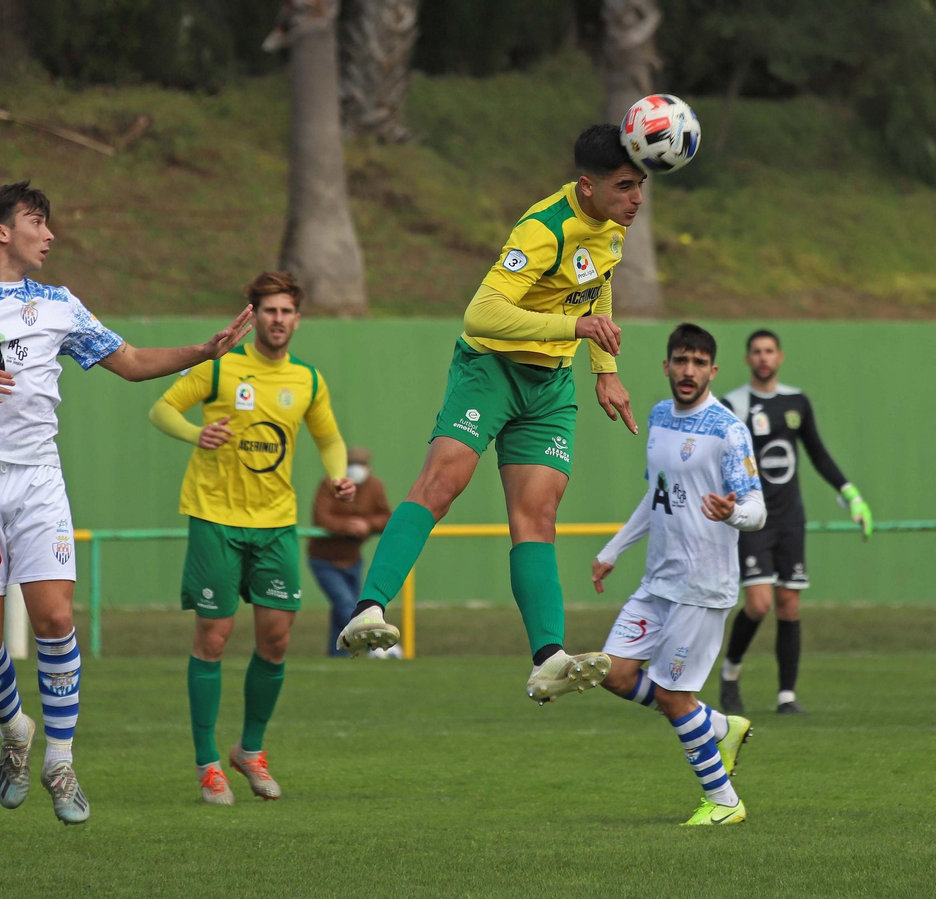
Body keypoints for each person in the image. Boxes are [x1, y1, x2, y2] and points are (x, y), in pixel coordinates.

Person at [0, 182, 253, 825]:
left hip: (36, 480)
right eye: (37, 222)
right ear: (1, 230)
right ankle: (14, 732)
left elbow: (131, 361)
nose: (49, 235)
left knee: (54, 617)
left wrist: (202, 351)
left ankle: (61, 759)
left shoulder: (59, 306)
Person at [336, 124, 642, 705]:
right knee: (443, 482)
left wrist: (604, 368)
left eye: (641, 185)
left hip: (550, 385)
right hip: (492, 370)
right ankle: (367, 606)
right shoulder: (543, 228)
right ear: (587, 185)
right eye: (625, 186)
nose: (637, 199)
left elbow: (597, 287)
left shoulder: (613, 229)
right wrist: (574, 329)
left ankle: (548, 657)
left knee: (539, 517)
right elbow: (481, 314)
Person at [148, 270, 355, 805]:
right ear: (253, 315)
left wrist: (338, 474)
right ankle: (207, 763)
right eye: (269, 310)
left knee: (277, 641)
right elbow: (162, 408)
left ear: (297, 319)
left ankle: (250, 750)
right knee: (213, 640)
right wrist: (198, 433)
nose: (278, 319)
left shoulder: (307, 380)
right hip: (215, 518)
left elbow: (329, 438)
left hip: (275, 525)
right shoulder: (221, 369)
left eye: (286, 311)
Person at [591, 323, 764, 825]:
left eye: (698, 363)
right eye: (680, 360)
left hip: (703, 586)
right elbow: (656, 496)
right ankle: (716, 726)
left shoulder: (728, 430)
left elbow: (756, 508)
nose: (688, 371)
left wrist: (732, 512)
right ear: (666, 365)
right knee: (615, 673)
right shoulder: (660, 417)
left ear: (712, 370)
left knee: (671, 695)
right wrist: (613, 550)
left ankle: (725, 802)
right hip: (658, 581)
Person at [717, 329, 873, 715]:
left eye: (769, 351)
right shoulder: (733, 405)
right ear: (747, 358)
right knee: (758, 604)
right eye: (756, 351)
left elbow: (817, 452)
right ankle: (731, 671)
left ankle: (786, 695)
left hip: (790, 519)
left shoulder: (796, 402)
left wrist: (850, 494)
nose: (763, 357)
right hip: (753, 519)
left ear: (780, 356)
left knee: (789, 604)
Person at [308, 446, 391, 657]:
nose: (355, 469)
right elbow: (322, 518)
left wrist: (367, 524)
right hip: (324, 559)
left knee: (342, 612)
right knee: (346, 605)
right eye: (351, 465)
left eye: (360, 465)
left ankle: (337, 657)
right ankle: (375, 646)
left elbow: (385, 517)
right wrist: (349, 526)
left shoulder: (375, 486)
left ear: (368, 467)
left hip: (353, 559)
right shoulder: (329, 485)